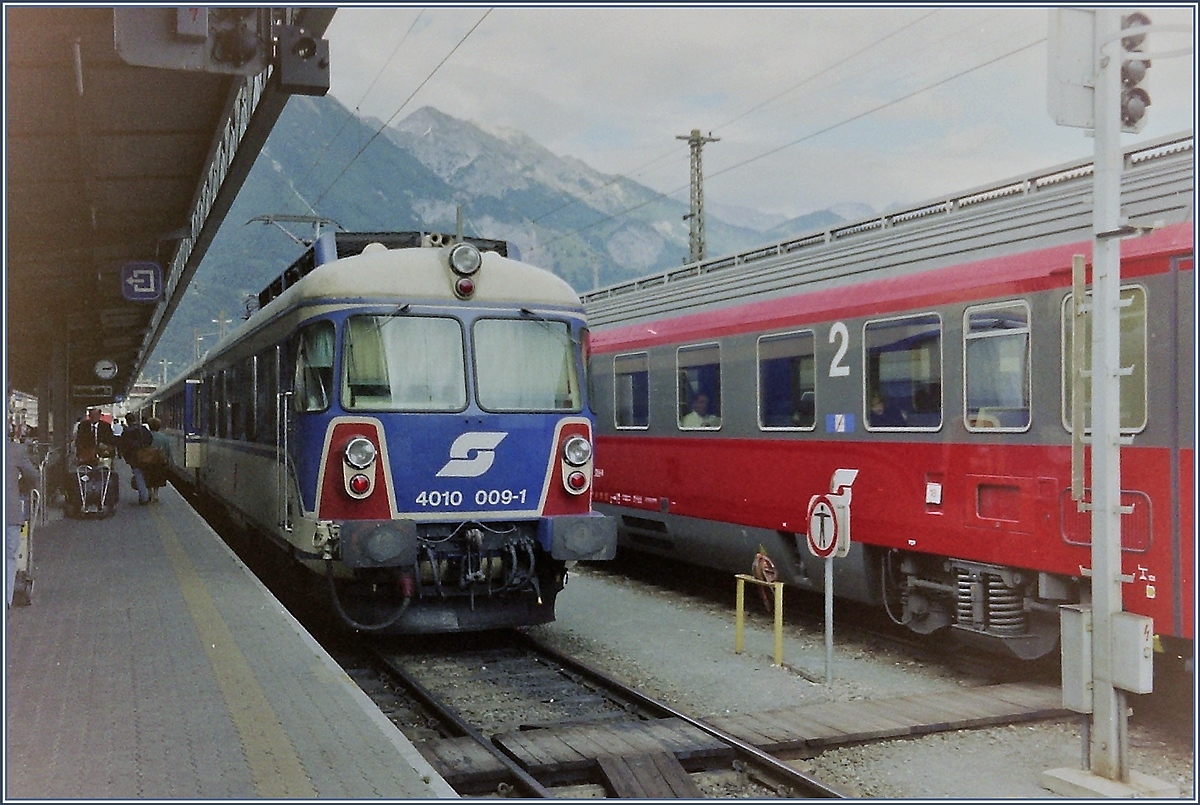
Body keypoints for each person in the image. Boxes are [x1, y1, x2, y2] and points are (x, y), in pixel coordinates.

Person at [7, 437, 40, 609]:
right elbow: (33, 475)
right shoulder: (15, 450)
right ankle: (5, 600)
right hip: (10, 511)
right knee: (8, 556)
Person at [120, 416, 153, 505]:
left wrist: (127, 458)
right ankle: (150, 494)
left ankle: (144, 497)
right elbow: (150, 439)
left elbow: (123, 446)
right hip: (145, 456)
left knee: (138, 476)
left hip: (134, 457)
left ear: (127, 421)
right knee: (146, 474)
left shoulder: (126, 432)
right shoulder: (143, 429)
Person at [143, 417, 172, 502]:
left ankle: (150, 493)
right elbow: (168, 450)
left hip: (148, 461)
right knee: (157, 477)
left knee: (148, 476)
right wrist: (168, 460)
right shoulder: (164, 437)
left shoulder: (146, 436)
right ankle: (156, 494)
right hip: (159, 461)